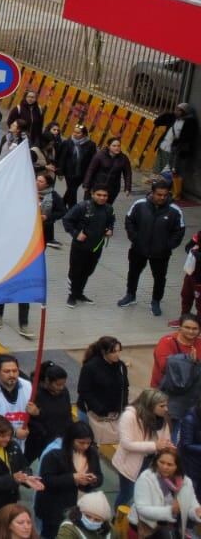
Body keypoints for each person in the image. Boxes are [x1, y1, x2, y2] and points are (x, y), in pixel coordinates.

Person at [118, 180, 186, 316]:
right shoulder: (139, 205)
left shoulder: (175, 210)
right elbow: (129, 220)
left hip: (161, 253)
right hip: (139, 249)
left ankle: (156, 301)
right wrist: (135, 238)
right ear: (152, 193)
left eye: (165, 195)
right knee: (133, 273)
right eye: (159, 194)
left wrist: (168, 245)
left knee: (160, 278)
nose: (162, 198)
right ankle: (130, 295)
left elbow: (179, 231)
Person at [35, 422, 103, 537]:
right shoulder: (54, 455)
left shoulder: (92, 454)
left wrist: (93, 480)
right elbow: (46, 480)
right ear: (71, 439)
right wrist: (72, 478)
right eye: (81, 443)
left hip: (80, 508)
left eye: (88, 443)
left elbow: (100, 477)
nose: (85, 446)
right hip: (54, 509)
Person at [114, 389, 175, 510]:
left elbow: (165, 439)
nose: (166, 409)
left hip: (149, 463)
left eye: (166, 405)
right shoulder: (129, 416)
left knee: (140, 494)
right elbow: (126, 444)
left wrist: (168, 446)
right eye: (162, 406)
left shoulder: (162, 419)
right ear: (150, 404)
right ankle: (117, 517)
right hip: (130, 464)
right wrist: (155, 446)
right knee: (127, 493)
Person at [64, 186, 116, 306]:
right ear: (92, 194)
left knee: (88, 271)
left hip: (96, 247)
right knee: (75, 271)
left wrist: (110, 230)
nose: (102, 198)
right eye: (99, 195)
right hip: (80, 246)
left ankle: (79, 293)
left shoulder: (109, 209)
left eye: (105, 196)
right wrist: (76, 234)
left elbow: (111, 221)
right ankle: (71, 296)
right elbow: (67, 220)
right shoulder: (82, 206)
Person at [131, 447, 201, 536]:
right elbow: (141, 509)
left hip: (166, 526)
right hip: (144, 526)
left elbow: (192, 504)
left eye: (169, 464)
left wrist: (196, 512)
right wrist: (170, 511)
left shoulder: (186, 482)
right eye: (161, 462)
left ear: (177, 466)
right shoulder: (146, 478)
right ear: (156, 461)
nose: (164, 467)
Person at [79, 337, 130, 447]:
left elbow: (125, 387)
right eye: (113, 351)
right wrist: (100, 409)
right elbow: (84, 391)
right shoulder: (90, 367)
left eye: (118, 351)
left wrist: (123, 405)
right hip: (92, 414)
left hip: (113, 415)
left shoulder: (120, 366)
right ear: (104, 352)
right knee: (88, 445)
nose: (117, 354)